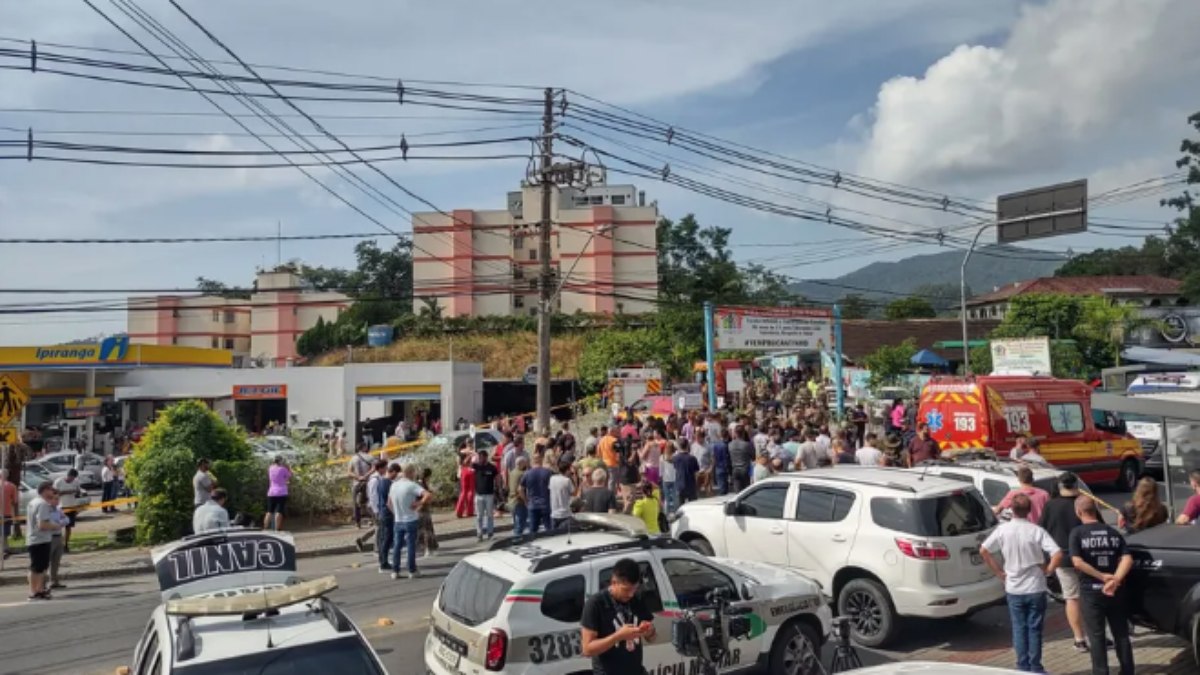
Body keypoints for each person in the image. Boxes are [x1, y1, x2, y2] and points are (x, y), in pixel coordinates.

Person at [980, 493, 1063, 674]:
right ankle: (1036, 666)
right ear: (1029, 510)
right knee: (1034, 628)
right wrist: (1048, 570)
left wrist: (999, 572)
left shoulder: (1003, 530)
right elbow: (1057, 553)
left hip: (1014, 586)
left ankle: (1021, 665)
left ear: (1011, 510)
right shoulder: (1036, 530)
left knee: (1019, 627)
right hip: (1035, 586)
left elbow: (984, 550)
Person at [1070, 495, 1136, 675]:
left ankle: (1101, 672)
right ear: (1097, 510)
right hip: (1115, 592)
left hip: (1091, 592)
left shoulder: (1077, 533)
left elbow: (1077, 562)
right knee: (1121, 634)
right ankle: (1128, 670)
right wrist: (1115, 579)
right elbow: (1127, 559)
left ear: (1078, 512)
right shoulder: (1112, 531)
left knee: (1096, 637)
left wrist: (1101, 577)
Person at [1037, 472, 1095, 653]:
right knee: (1092, 598)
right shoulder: (1085, 502)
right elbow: (1096, 524)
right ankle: (1097, 636)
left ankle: (1079, 639)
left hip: (1063, 559)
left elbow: (1041, 532)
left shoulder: (1050, 506)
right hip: (1087, 558)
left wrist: (1046, 560)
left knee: (1072, 598)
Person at [580, 557, 656, 674]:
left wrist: (649, 631)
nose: (630, 594)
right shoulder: (596, 604)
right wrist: (618, 637)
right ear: (614, 582)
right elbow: (587, 649)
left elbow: (652, 638)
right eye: (626, 590)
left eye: (634, 589)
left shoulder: (637, 599)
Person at [387, 464, 432, 580]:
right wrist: (419, 503)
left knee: (397, 546)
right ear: (411, 473)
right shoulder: (411, 485)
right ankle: (412, 570)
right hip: (410, 519)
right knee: (411, 545)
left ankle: (395, 570)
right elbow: (427, 495)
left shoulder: (394, 485)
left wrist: (396, 513)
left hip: (398, 520)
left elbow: (389, 503)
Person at [26, 481, 61, 601]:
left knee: (38, 567)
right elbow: (42, 524)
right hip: (40, 539)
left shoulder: (33, 502)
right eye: (51, 490)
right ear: (45, 490)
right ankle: (34, 591)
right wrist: (56, 526)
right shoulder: (43, 504)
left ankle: (39, 589)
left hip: (34, 538)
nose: (53, 492)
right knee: (38, 568)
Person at [372, 464, 397, 572]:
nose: (395, 477)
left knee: (384, 538)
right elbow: (389, 501)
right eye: (395, 474)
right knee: (387, 538)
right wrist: (395, 513)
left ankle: (383, 560)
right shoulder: (388, 483)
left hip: (382, 512)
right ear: (393, 472)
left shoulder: (381, 482)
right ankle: (383, 563)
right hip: (387, 514)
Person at [520, 455, 554, 534]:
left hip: (533, 505)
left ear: (533, 461)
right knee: (549, 529)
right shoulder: (548, 472)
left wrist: (526, 501)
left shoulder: (527, 473)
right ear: (541, 460)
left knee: (533, 531)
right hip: (545, 504)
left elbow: (520, 489)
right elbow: (552, 488)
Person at [473, 449, 500, 541]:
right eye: (479, 457)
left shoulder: (492, 468)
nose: (480, 459)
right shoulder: (476, 466)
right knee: (479, 516)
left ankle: (490, 533)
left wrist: (498, 488)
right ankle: (479, 534)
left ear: (486, 457)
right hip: (478, 495)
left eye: (482, 457)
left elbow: (497, 477)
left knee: (489, 515)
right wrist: (471, 454)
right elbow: (465, 463)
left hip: (489, 494)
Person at [52, 469, 82, 552]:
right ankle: (57, 545)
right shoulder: (59, 482)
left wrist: (77, 492)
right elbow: (54, 494)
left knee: (68, 527)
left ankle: (66, 544)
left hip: (71, 506)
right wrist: (66, 492)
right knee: (58, 527)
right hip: (61, 507)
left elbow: (78, 492)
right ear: (68, 475)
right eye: (71, 477)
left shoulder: (76, 482)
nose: (72, 479)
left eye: (73, 478)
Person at [347, 443, 373, 528]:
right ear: (364, 448)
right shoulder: (369, 457)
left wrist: (358, 477)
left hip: (356, 483)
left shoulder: (353, 458)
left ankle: (358, 522)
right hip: (367, 482)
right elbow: (375, 468)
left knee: (356, 503)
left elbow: (349, 472)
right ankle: (370, 520)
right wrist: (366, 476)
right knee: (368, 501)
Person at [47, 489, 68, 590]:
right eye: (55, 499)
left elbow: (66, 519)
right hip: (50, 538)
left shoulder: (58, 509)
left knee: (56, 560)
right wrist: (59, 522)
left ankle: (54, 580)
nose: (57, 501)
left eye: (58, 499)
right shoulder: (47, 509)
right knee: (47, 561)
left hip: (59, 536)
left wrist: (60, 522)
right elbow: (51, 523)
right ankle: (42, 583)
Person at [264, 455, 291, 531]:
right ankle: (277, 528)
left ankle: (265, 527)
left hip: (271, 492)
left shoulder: (270, 468)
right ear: (281, 461)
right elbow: (288, 476)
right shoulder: (283, 469)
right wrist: (288, 468)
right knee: (279, 511)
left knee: (269, 511)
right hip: (281, 492)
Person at [417, 467, 439, 558]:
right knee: (427, 530)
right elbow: (424, 497)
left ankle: (425, 548)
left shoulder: (420, 483)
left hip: (422, 509)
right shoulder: (421, 484)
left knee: (424, 529)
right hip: (422, 509)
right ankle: (428, 549)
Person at [671, 439, 699, 507]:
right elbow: (696, 472)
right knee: (693, 506)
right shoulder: (692, 458)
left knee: (681, 507)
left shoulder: (675, 458)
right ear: (687, 446)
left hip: (680, 484)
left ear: (679, 447)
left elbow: (675, 468)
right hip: (691, 485)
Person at [549, 459, 575, 530]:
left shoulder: (552, 479)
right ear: (567, 470)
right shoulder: (567, 480)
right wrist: (574, 477)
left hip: (554, 513)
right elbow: (573, 493)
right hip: (565, 514)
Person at [728, 426, 755, 492]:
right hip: (745, 470)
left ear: (735, 433)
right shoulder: (747, 445)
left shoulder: (730, 444)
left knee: (738, 492)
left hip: (735, 469)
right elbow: (753, 457)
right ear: (743, 433)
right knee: (746, 492)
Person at [508, 456, 530, 536]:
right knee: (520, 523)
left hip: (511, 500)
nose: (526, 464)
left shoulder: (512, 472)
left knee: (516, 522)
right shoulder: (522, 474)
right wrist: (526, 501)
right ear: (521, 463)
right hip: (519, 500)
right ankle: (517, 539)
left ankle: (515, 537)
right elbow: (521, 489)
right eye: (525, 463)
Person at [711, 429, 732, 495]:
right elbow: (726, 458)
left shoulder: (715, 445)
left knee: (721, 486)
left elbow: (713, 457)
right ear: (727, 436)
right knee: (724, 488)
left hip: (718, 467)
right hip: (724, 467)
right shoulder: (726, 446)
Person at [455, 454, 476, 519]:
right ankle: (469, 511)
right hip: (471, 471)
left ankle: (459, 511)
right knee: (471, 492)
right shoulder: (472, 454)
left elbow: (464, 462)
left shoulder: (462, 453)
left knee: (463, 492)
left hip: (464, 471)